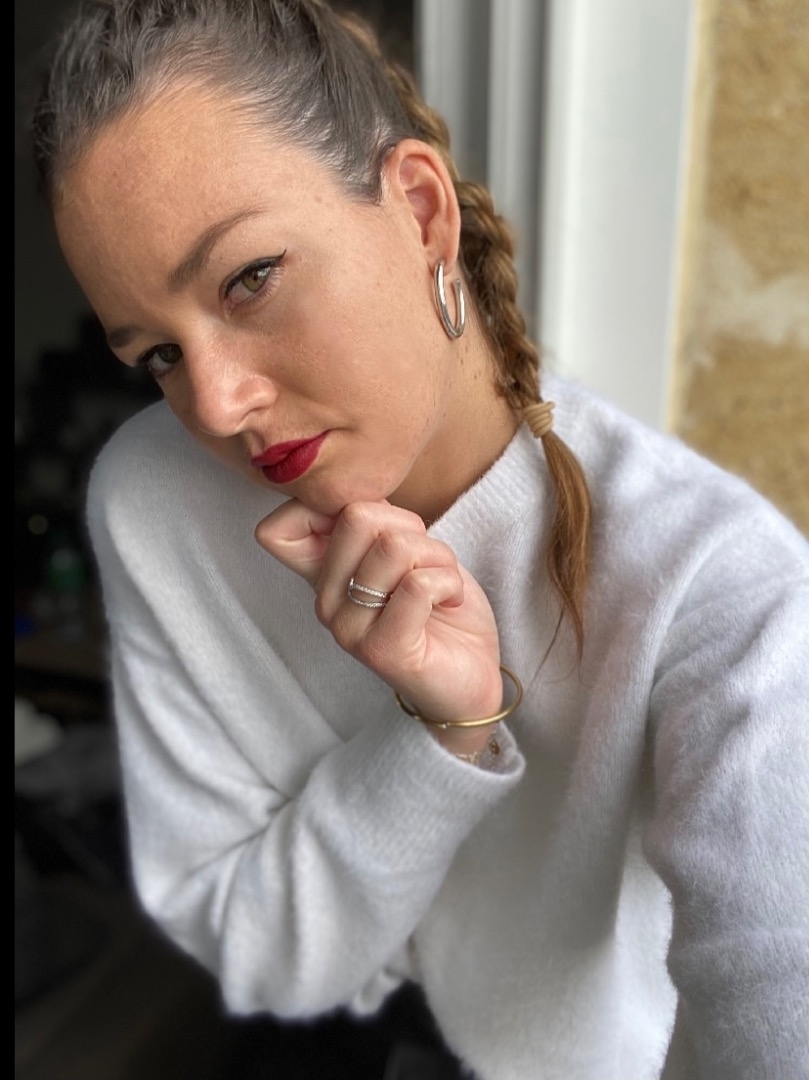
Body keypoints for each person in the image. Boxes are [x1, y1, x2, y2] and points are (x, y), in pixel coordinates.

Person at [30, 1, 809, 1077]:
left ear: (419, 208)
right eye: (156, 354)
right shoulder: (153, 498)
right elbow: (257, 955)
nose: (215, 403)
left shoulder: (719, 585)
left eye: (250, 279)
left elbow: (776, 981)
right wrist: (439, 739)